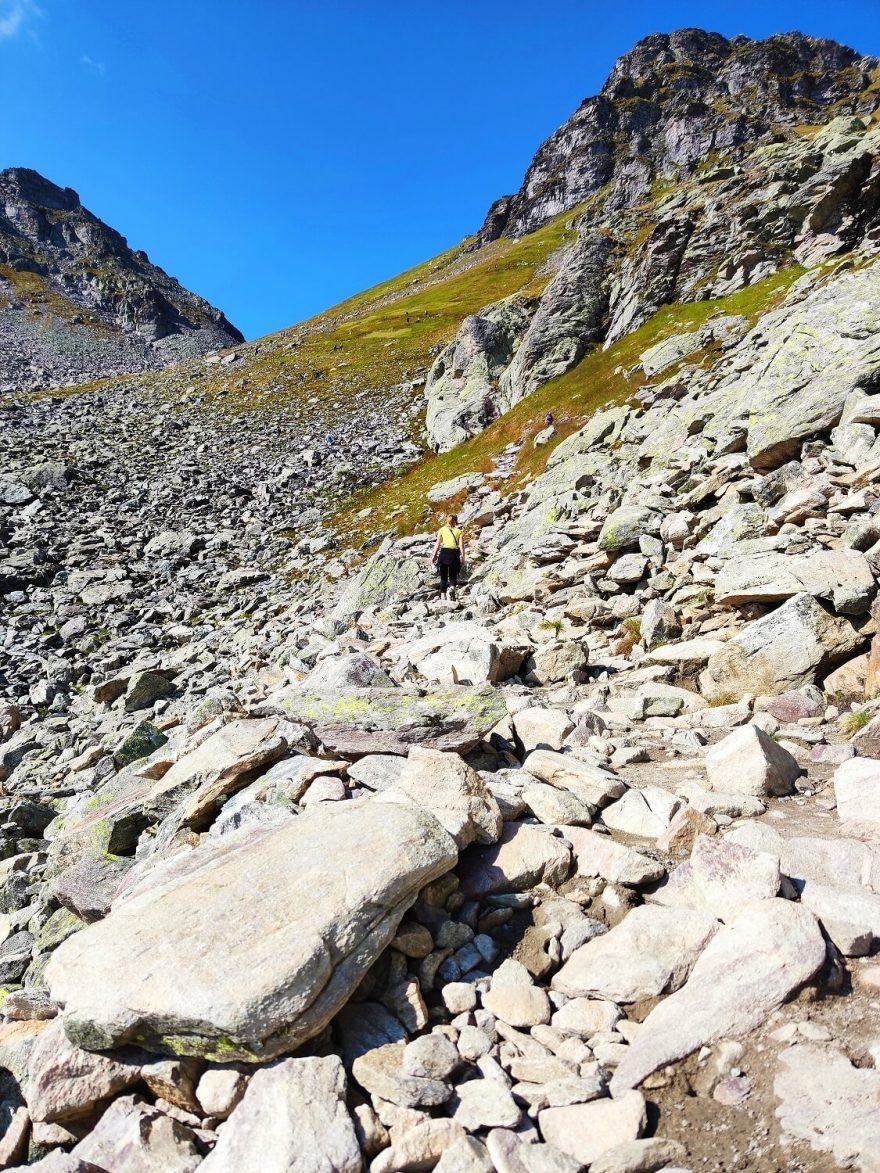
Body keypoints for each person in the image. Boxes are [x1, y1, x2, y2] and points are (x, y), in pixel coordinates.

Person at [431, 514, 465, 600]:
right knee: (453, 575)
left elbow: (438, 544)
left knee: (443, 576)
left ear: (447, 520)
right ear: (456, 521)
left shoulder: (442, 530)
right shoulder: (459, 531)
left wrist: (433, 556)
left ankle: (443, 596)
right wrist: (463, 557)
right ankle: (452, 588)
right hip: (454, 554)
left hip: (444, 553)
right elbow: (461, 546)